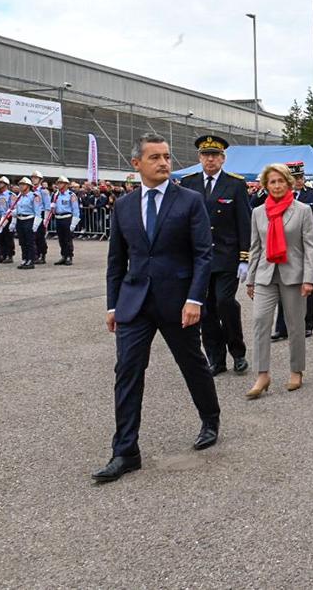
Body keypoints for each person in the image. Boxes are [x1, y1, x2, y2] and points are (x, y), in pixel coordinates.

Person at [94, 133, 220, 483]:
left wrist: (195, 299)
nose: (164, 162)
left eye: (166, 156)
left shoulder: (190, 201)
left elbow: (203, 254)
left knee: (192, 364)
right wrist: (112, 305)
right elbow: (117, 260)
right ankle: (125, 452)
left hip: (179, 303)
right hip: (134, 304)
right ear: (136, 164)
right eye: (155, 158)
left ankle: (210, 418)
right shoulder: (124, 206)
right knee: (127, 373)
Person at [180, 135, 251, 376]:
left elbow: (244, 222)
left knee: (224, 302)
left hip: (227, 256)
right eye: (205, 155)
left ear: (223, 159)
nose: (210, 159)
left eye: (215, 155)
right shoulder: (188, 183)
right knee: (206, 310)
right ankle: (215, 357)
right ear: (199, 158)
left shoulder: (235, 184)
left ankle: (238, 352)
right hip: (199, 259)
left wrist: (245, 257)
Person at [245, 163, 313, 399]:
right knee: (259, 322)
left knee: (295, 325)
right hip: (265, 275)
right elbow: (255, 248)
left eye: (280, 181)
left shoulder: (303, 210)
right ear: (265, 185)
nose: (276, 186)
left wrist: (309, 279)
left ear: (288, 183)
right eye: (272, 182)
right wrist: (250, 279)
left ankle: (296, 370)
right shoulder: (258, 212)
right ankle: (262, 374)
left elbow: (310, 247)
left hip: (294, 276)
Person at [272, 161, 313, 340]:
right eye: (295, 178)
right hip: (283, 247)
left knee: (306, 285)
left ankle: (307, 323)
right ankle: (281, 327)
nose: (299, 181)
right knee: (281, 284)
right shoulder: (279, 196)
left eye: (301, 177)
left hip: (305, 247)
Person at [12, 177, 42, 270]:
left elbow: (37, 211)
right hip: (20, 219)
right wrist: (14, 212)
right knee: (22, 241)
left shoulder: (34, 196)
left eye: (23, 184)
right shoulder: (19, 196)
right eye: (20, 184)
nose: (20, 186)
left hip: (29, 219)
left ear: (28, 186)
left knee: (30, 241)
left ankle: (31, 260)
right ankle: (24, 258)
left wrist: (36, 224)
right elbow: (19, 208)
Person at [50, 176, 81, 265]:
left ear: (66, 185)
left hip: (67, 218)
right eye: (58, 183)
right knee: (61, 239)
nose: (59, 185)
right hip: (58, 217)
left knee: (67, 239)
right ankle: (63, 255)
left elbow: (75, 209)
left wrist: (73, 223)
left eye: (61, 183)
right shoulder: (55, 194)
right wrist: (52, 207)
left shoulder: (71, 195)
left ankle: (69, 256)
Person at [29, 170, 50, 263]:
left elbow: (47, 206)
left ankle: (42, 254)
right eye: (32, 178)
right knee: (32, 236)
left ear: (40, 180)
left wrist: (45, 219)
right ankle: (35, 254)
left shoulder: (43, 191)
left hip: (41, 214)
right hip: (32, 214)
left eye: (36, 178)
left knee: (40, 236)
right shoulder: (30, 190)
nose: (33, 179)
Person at [0, 177, 15, 263]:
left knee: (8, 237)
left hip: (8, 218)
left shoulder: (11, 195)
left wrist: (7, 218)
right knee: (0, 238)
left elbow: (13, 208)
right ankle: (2, 254)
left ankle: (9, 255)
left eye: (1, 183)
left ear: (6, 184)